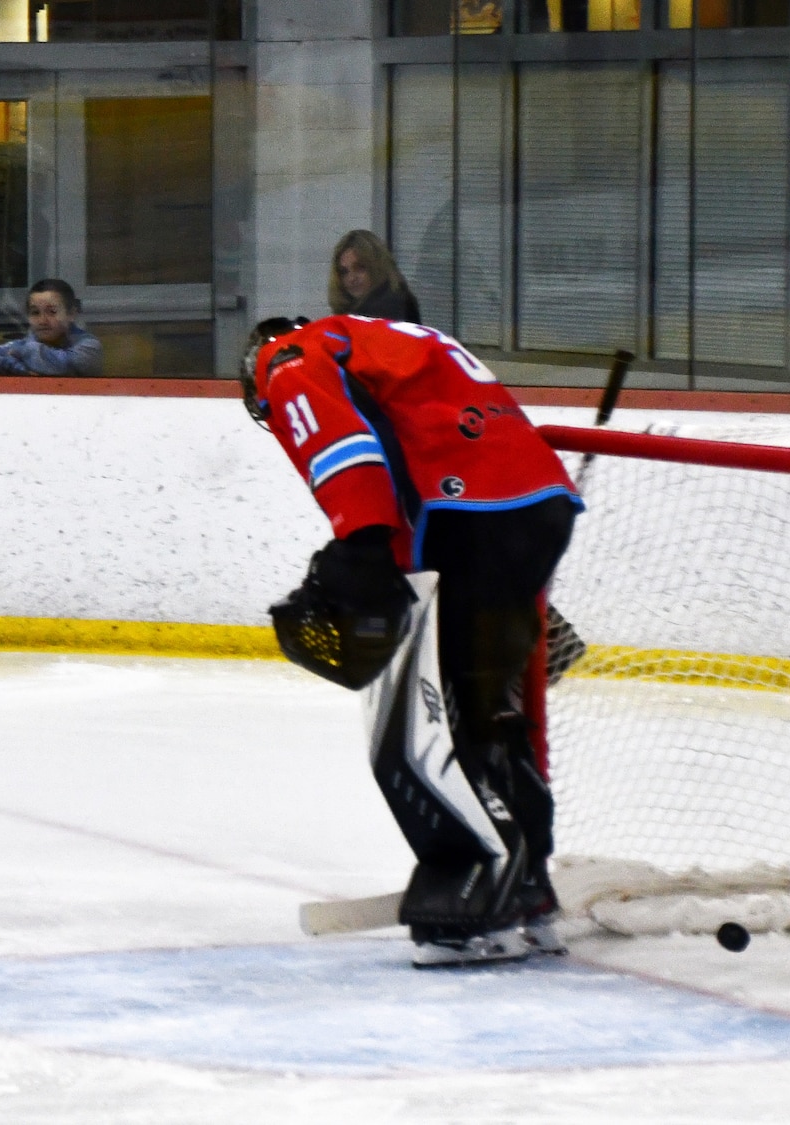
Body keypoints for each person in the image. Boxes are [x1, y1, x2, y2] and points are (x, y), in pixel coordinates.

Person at [241, 313, 580, 967]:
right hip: (536, 507)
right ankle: (527, 891)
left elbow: (345, 449)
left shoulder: (287, 357)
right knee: (489, 713)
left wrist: (361, 547)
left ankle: (471, 897)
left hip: (461, 521)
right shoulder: (389, 336)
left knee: (422, 720)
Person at [0, 279, 103, 377]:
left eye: (52, 312)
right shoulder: (23, 344)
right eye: (35, 313)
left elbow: (61, 366)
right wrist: (15, 367)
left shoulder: (88, 345)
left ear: (71, 314)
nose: (42, 321)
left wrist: (23, 352)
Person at [328, 230, 422, 324]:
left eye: (360, 268)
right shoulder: (352, 312)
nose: (352, 278)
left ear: (377, 266)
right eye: (344, 272)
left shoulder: (390, 310)